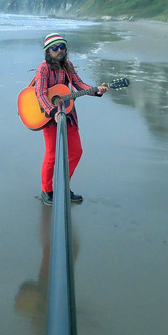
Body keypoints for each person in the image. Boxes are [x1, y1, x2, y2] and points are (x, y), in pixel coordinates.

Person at [34, 32, 108, 206]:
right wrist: (52, 110)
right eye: (55, 48)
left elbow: (79, 84)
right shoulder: (43, 68)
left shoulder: (68, 66)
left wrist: (96, 90)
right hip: (49, 116)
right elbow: (40, 93)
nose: (59, 50)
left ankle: (63, 186)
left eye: (62, 47)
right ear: (48, 51)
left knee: (76, 152)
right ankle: (46, 190)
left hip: (68, 114)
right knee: (52, 155)